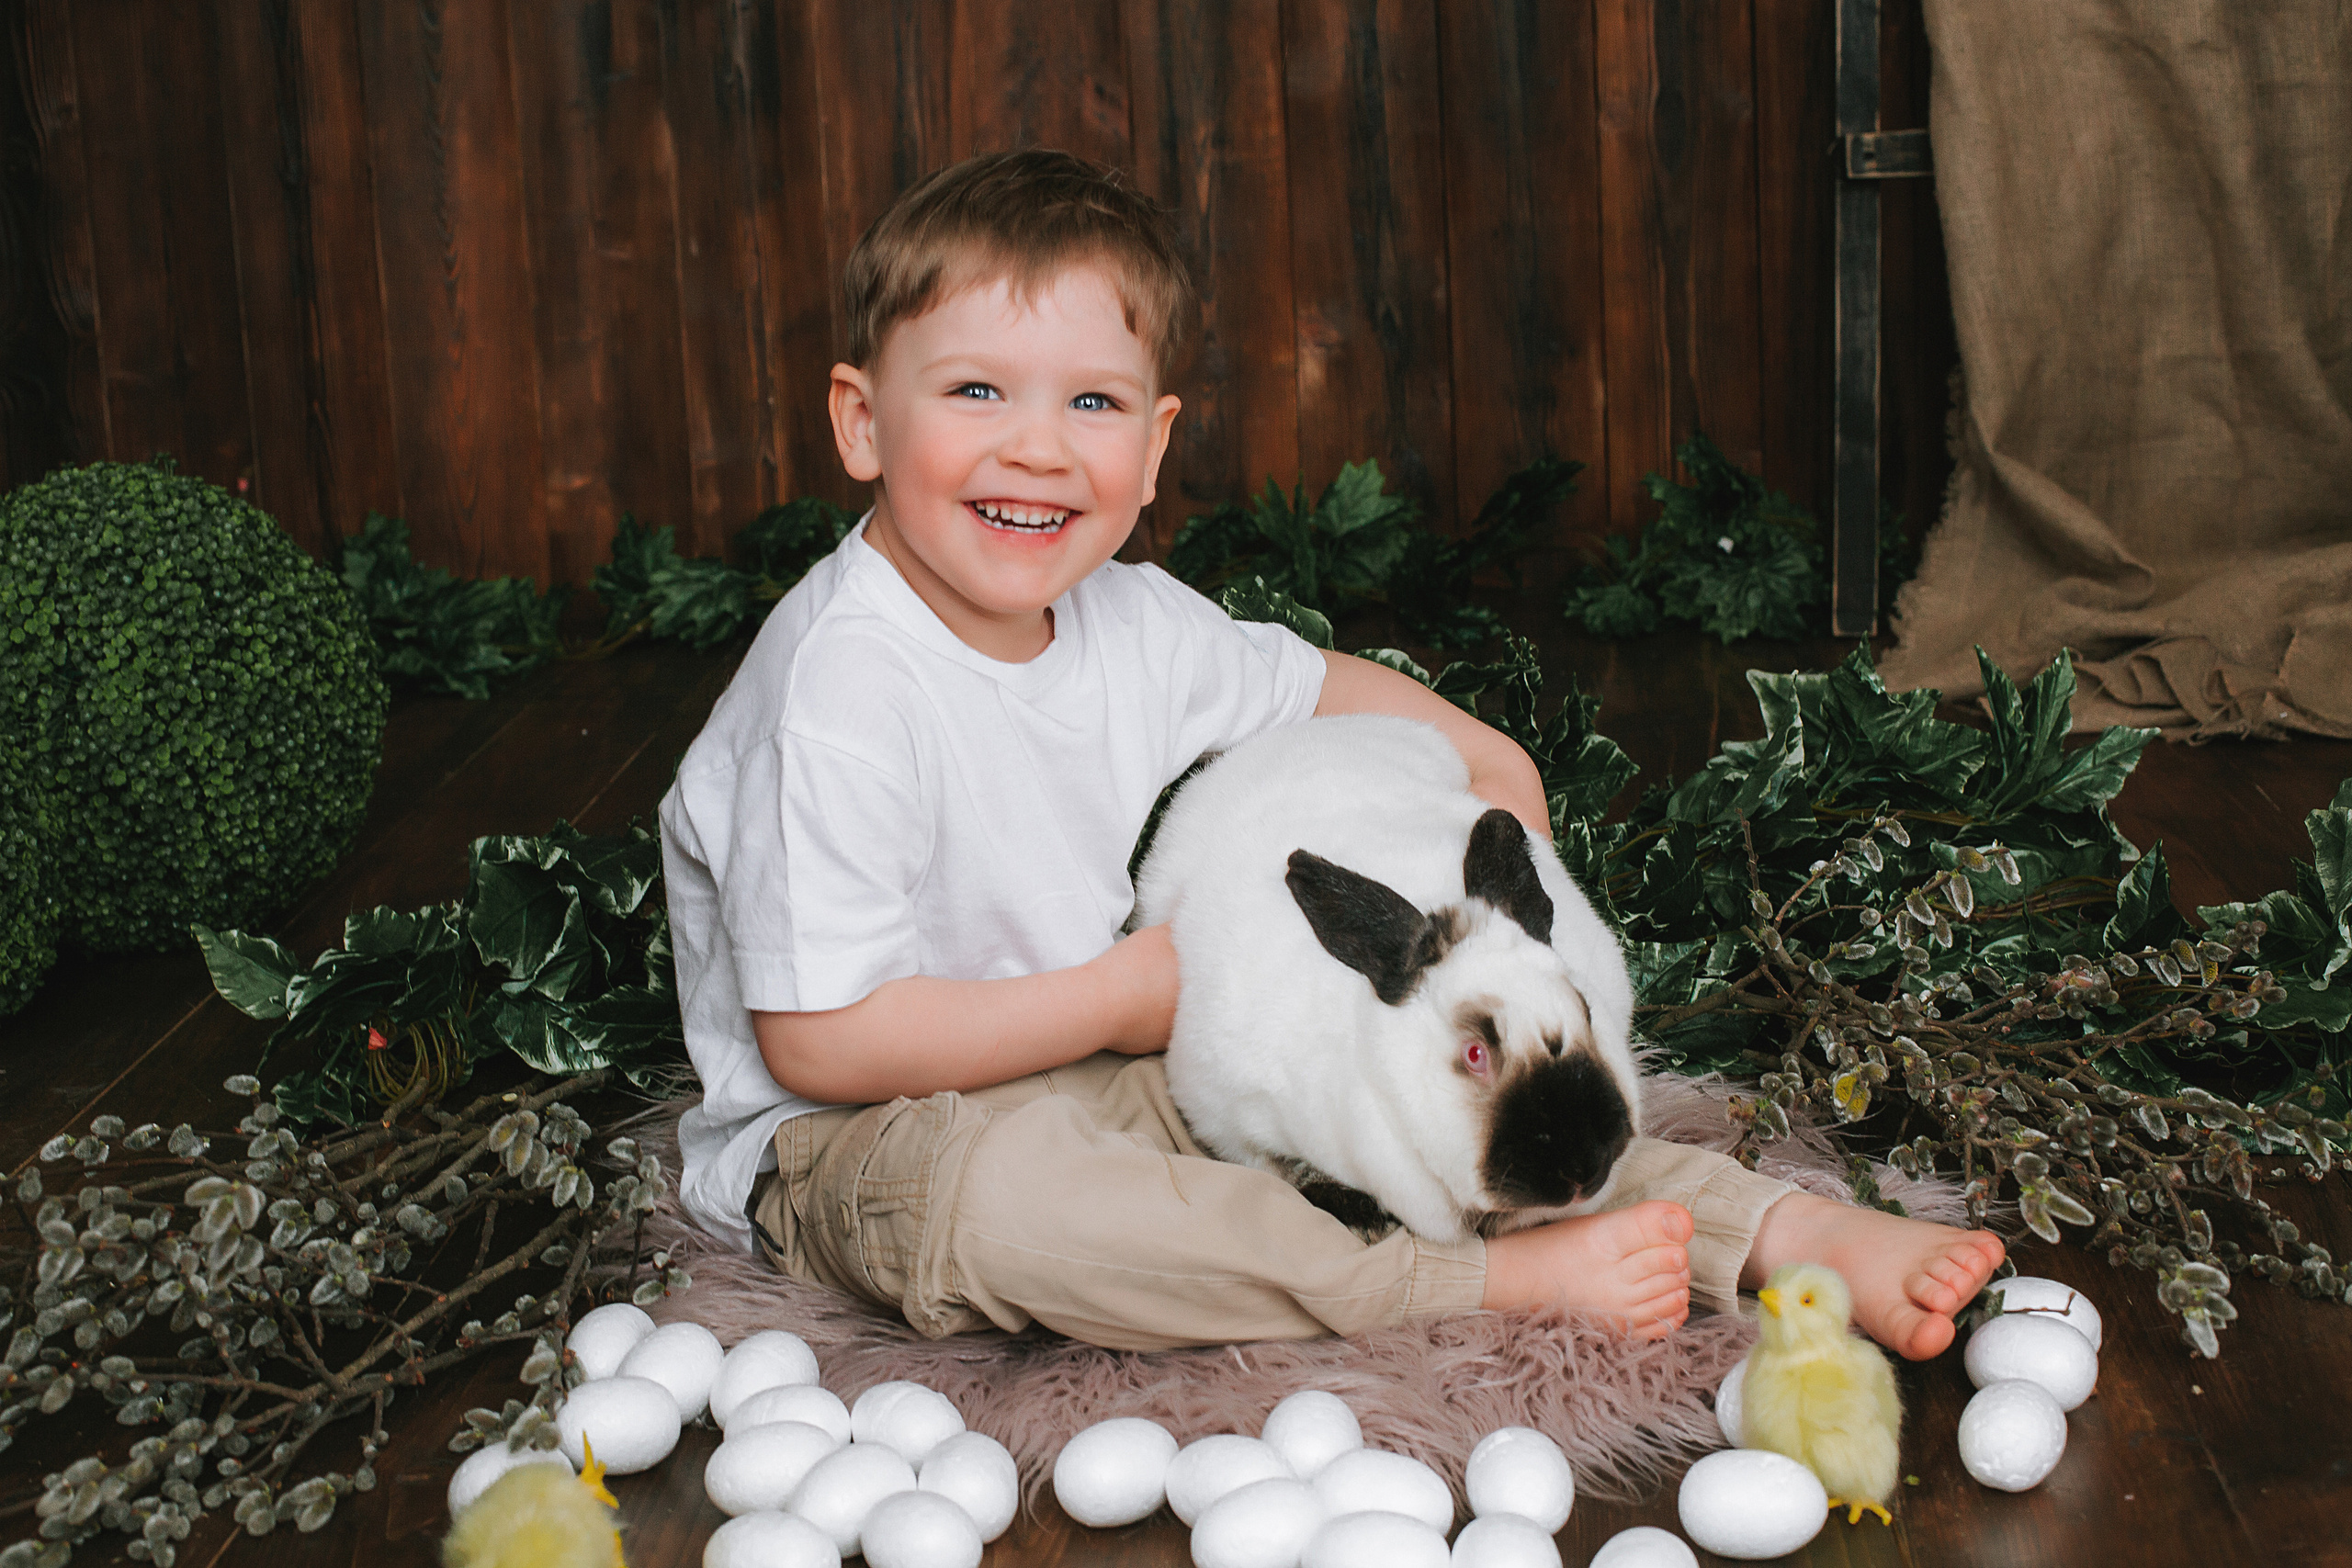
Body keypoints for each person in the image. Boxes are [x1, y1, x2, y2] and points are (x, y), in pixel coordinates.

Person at [659, 148, 2003, 1358]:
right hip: (854, 1140)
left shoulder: (1126, 617)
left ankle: (1775, 1234)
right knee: (1011, 1216)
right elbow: (822, 1038)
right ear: (860, 421)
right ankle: (1460, 1288)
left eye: (1091, 403)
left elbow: (1314, 686)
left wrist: (1490, 763)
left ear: (1153, 445)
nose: (1037, 447)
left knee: (1385, 1088)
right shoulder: (840, 687)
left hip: (1095, 1069)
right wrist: (1131, 998)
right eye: (974, 391)